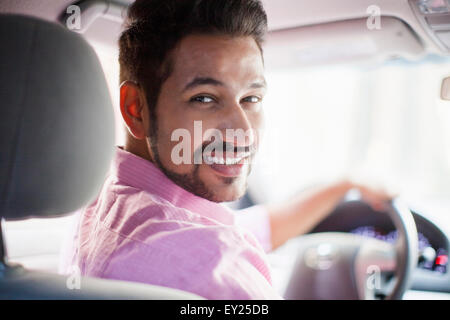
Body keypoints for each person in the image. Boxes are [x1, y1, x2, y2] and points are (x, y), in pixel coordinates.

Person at [63, 0, 392, 299]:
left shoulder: (106, 204)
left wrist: (345, 183)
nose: (243, 132)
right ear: (136, 108)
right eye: (205, 98)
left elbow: (241, 231)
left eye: (251, 98)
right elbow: (206, 252)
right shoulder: (210, 269)